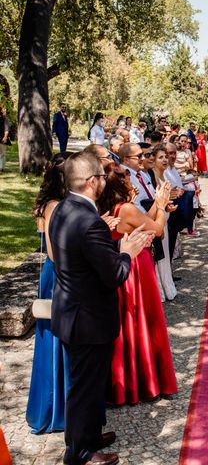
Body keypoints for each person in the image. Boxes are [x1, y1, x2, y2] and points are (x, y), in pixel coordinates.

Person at [49, 151, 151, 465]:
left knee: (88, 384)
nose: (105, 181)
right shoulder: (87, 219)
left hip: (71, 311)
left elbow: (83, 256)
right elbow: (113, 275)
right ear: (93, 182)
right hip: (88, 318)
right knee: (85, 387)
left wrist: (110, 245)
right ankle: (80, 453)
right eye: (102, 177)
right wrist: (127, 252)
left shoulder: (64, 208)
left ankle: (89, 436)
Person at [97, 163, 177, 405]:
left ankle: (127, 381)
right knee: (143, 319)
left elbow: (143, 221)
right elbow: (158, 230)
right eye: (128, 180)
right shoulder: (127, 209)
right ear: (121, 185)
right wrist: (162, 205)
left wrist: (156, 207)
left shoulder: (112, 207)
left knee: (128, 324)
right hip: (136, 267)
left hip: (122, 265)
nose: (132, 183)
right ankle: (146, 382)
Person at [26, 152, 74, 434]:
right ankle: (58, 409)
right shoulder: (55, 206)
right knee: (59, 339)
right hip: (59, 277)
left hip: (52, 275)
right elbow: (58, 255)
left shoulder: (49, 203)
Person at [151, 146, 178, 302]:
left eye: (165, 157)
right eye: (160, 157)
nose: (165, 160)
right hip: (157, 220)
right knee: (160, 255)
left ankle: (168, 285)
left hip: (165, 217)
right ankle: (160, 289)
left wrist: (169, 205)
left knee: (166, 254)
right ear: (154, 160)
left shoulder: (164, 175)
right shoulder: (153, 176)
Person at [0, 106, 11, 172]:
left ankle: (1, 168)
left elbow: (7, 129)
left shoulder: (4, 119)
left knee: (2, 153)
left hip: (2, 138)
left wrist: (5, 137)